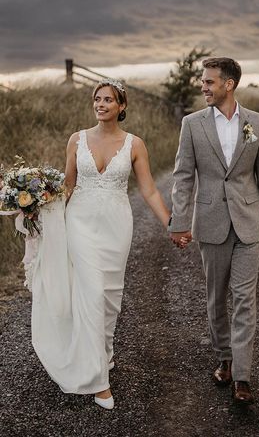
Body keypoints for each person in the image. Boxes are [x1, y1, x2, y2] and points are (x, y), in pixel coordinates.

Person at [32, 79, 170, 410]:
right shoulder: (76, 140)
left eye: (108, 99)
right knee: (91, 292)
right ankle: (99, 382)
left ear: (121, 106)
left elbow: (148, 190)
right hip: (80, 223)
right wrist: (36, 209)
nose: (101, 104)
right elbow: (66, 186)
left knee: (109, 296)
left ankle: (104, 353)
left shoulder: (135, 144)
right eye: (97, 99)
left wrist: (171, 223)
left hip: (116, 226)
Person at [169, 57, 259, 406]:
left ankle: (243, 377)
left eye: (210, 81)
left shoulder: (258, 123)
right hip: (211, 221)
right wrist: (180, 222)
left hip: (249, 223)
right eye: (204, 81)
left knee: (245, 299)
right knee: (217, 297)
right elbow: (184, 176)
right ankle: (225, 359)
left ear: (228, 84)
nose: (204, 86)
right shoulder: (192, 124)